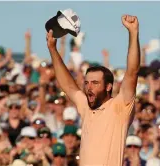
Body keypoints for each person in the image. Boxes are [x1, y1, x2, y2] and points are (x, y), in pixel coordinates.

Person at [46, 14, 140, 165]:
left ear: (108, 87)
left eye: (95, 83)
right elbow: (68, 86)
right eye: (87, 82)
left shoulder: (120, 107)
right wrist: (52, 49)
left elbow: (132, 72)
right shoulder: (86, 107)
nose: (89, 87)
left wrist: (133, 33)